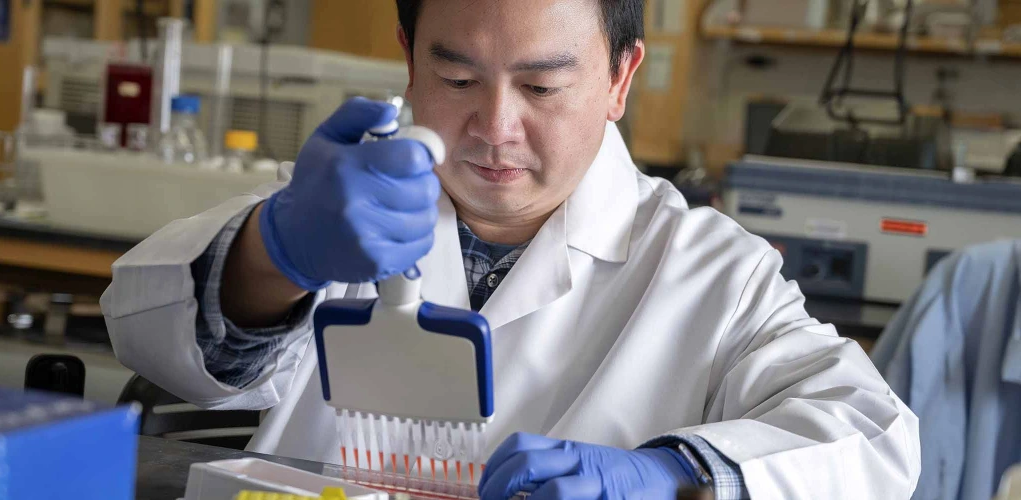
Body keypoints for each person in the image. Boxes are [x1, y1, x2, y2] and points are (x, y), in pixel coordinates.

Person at [102, 0, 921, 498]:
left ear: (620, 78)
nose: (495, 128)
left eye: (541, 87)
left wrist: (680, 471)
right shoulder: (334, 207)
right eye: (456, 79)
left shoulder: (713, 273)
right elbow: (144, 334)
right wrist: (275, 252)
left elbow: (875, 438)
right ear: (409, 58)